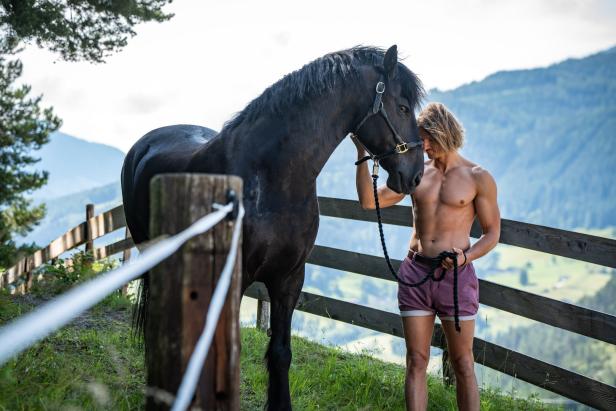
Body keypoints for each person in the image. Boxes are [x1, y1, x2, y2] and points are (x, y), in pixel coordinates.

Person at [354, 102, 500, 411]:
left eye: (427, 140)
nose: (424, 147)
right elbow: (369, 201)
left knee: (463, 363)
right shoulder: (416, 172)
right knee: (416, 361)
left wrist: (466, 257)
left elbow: (491, 234)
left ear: (443, 134)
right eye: (421, 140)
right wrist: (361, 156)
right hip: (415, 275)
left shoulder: (478, 177)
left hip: (456, 278)